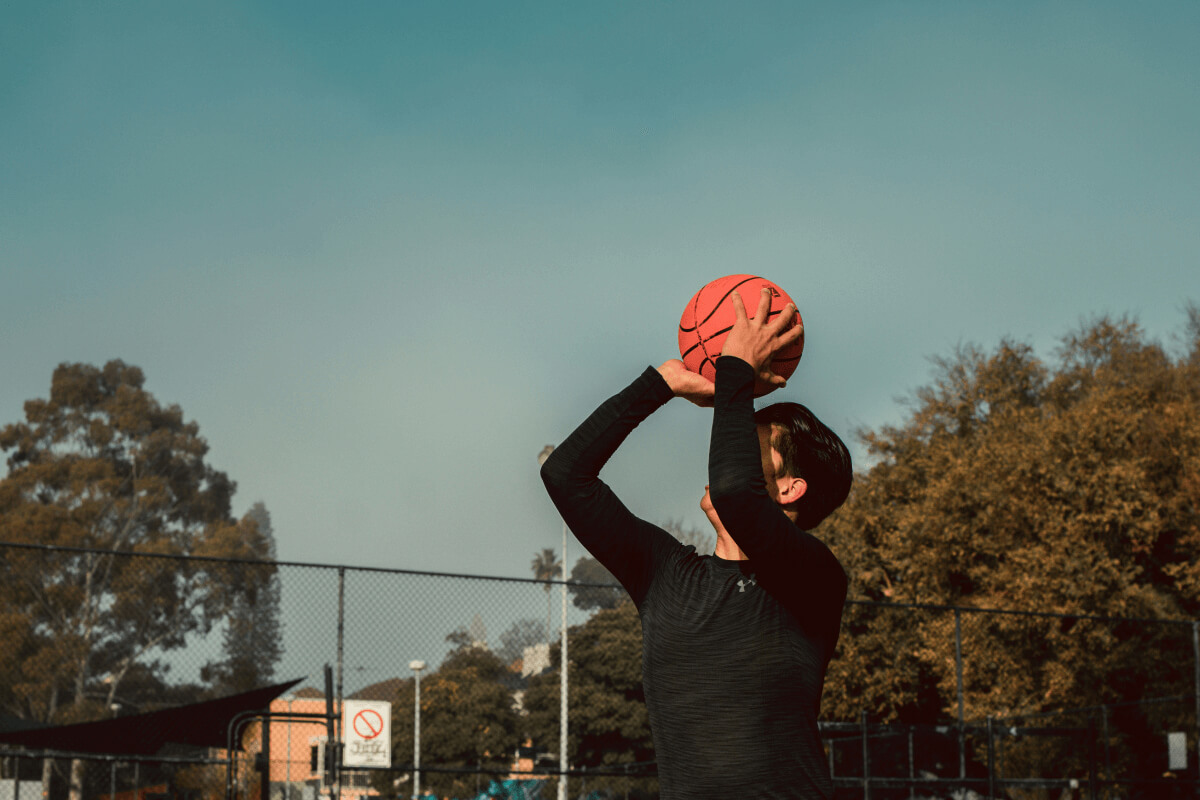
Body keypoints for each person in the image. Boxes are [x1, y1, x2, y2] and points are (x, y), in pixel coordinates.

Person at [540, 287, 852, 799]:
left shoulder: (811, 578)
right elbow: (565, 475)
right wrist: (659, 384)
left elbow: (736, 495)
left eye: (752, 445)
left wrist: (736, 369)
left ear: (790, 489)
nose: (729, 451)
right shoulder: (666, 576)